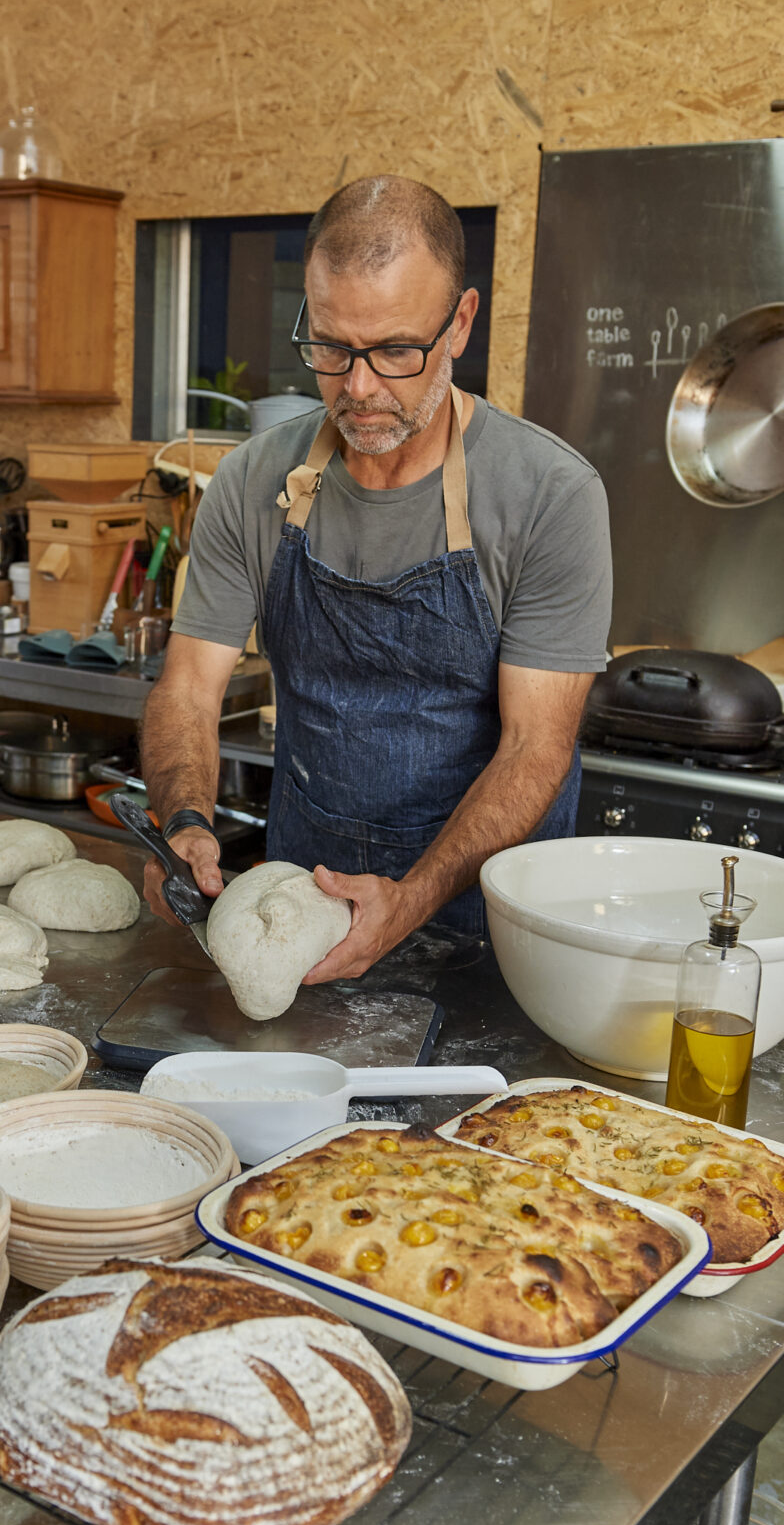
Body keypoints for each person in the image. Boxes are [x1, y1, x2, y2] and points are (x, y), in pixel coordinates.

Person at [139, 174, 611, 982]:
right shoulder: (254, 483)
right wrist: (183, 817)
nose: (357, 388)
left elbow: (538, 749)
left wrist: (411, 898)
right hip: (303, 918)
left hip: (492, 933)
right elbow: (187, 690)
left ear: (459, 322)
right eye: (330, 347)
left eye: (396, 350)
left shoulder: (548, 496)